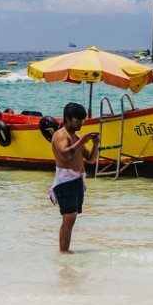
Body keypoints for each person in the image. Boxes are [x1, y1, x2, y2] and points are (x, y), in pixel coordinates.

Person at [49, 102, 100, 253]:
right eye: (78, 120)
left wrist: (96, 144)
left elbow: (90, 159)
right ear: (68, 119)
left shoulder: (76, 137)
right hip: (65, 181)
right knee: (69, 218)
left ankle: (65, 251)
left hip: (77, 180)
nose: (81, 123)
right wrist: (81, 142)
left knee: (71, 218)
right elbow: (64, 155)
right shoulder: (60, 135)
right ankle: (64, 252)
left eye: (83, 120)